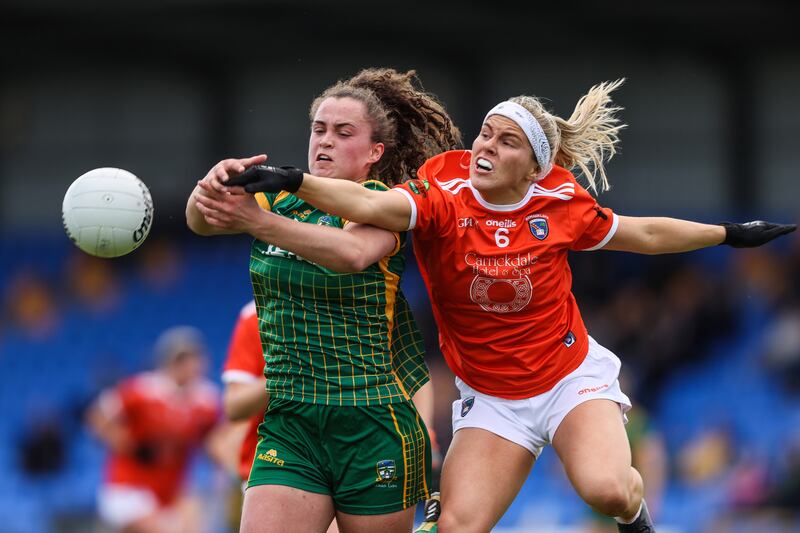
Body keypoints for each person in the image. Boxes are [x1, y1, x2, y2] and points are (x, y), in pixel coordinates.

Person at [219, 78, 796, 532]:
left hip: (567, 377)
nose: (486, 147)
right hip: (492, 398)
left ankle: (634, 515)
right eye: (486, 134)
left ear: (533, 165)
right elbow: (371, 207)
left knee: (607, 489)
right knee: (457, 526)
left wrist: (725, 233)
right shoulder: (442, 189)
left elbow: (642, 234)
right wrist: (294, 180)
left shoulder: (560, 202)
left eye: (506, 141)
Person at [187, 68, 459, 533]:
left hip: (372, 423)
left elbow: (350, 254)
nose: (324, 141)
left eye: (342, 132)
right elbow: (200, 222)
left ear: (375, 152)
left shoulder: (390, 204)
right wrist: (209, 185)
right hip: (291, 420)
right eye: (319, 129)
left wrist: (256, 223)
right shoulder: (278, 201)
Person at [221, 297, 441, 532]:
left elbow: (411, 372)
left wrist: (424, 430)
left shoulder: (367, 295)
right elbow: (234, 405)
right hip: (284, 460)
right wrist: (287, 370)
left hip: (360, 453)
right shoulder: (258, 314)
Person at [86, 326, 221, 533]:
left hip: (171, 490)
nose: (190, 366)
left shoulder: (207, 400)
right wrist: (126, 443)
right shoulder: (142, 390)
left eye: (194, 358)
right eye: (182, 359)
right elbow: (97, 416)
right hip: (130, 487)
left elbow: (213, 442)